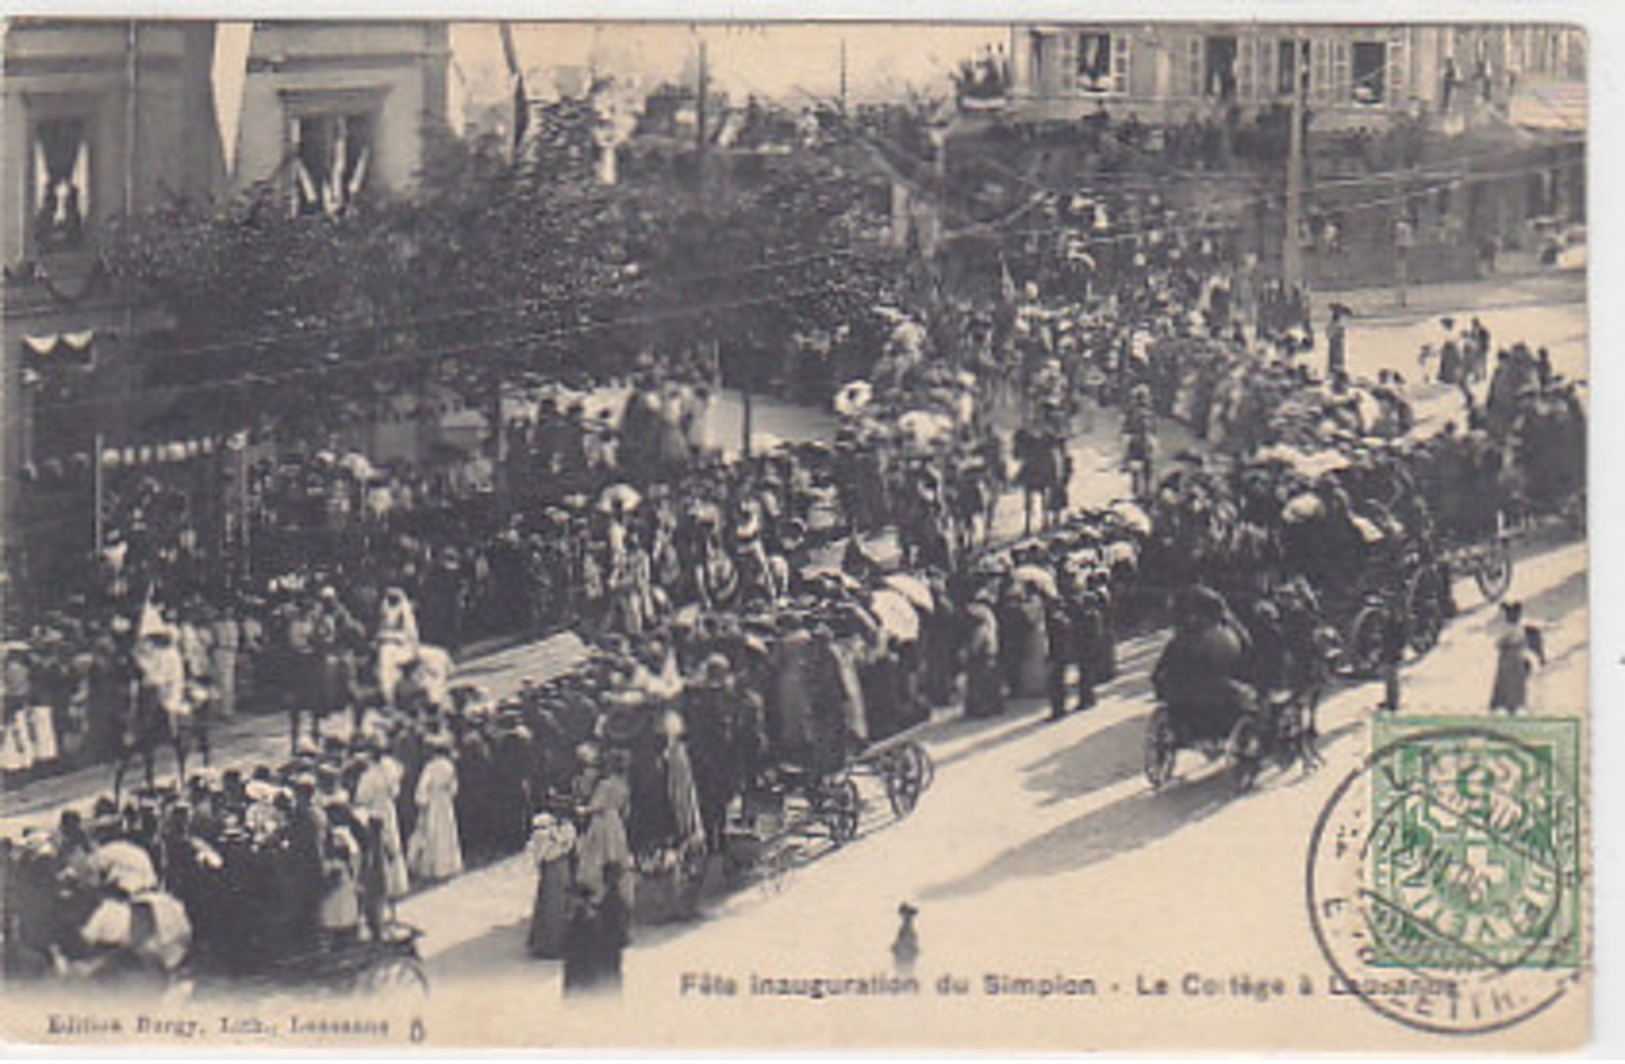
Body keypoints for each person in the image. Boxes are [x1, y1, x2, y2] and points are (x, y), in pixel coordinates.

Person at [406, 732, 463, 882]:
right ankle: (448, 866)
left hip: (433, 802)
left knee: (433, 833)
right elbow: (453, 787)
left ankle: (434, 868)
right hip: (445, 802)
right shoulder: (448, 766)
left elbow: (423, 786)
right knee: (446, 832)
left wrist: (421, 802)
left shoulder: (430, 767)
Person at [1490, 601, 1545, 713]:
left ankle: (1510, 704)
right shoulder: (1511, 629)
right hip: (1511, 659)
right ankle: (1510, 704)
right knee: (1510, 683)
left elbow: (1500, 643)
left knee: (1510, 682)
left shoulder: (1513, 629)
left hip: (1512, 659)